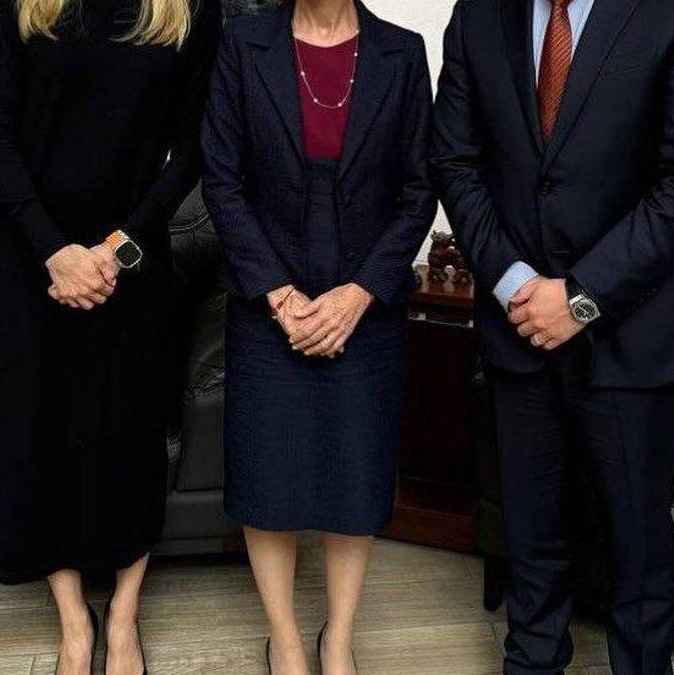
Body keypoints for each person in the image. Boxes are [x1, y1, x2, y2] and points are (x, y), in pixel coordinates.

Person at [431, 0, 674, 672]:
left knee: (637, 552)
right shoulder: (479, 13)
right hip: (518, 328)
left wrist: (579, 297)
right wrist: (515, 282)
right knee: (529, 540)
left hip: (635, 338)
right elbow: (456, 161)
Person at [0, 0, 220, 673]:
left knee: (129, 435)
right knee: (43, 433)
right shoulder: (28, 3)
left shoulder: (190, 8)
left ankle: (124, 616)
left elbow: (194, 142)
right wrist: (53, 251)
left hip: (131, 260)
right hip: (33, 260)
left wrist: (119, 247)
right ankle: (74, 620)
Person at [200, 0, 435, 671]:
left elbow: (420, 189)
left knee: (355, 478)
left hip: (367, 306)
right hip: (266, 303)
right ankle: (286, 637)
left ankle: (338, 636)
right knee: (266, 478)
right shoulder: (243, 43)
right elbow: (222, 180)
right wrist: (278, 295)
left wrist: (359, 295)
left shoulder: (402, 52)